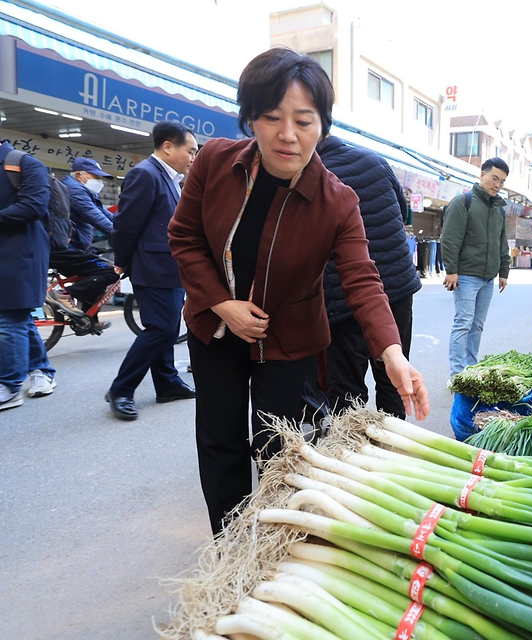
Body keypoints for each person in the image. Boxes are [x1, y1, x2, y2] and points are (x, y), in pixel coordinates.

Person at [168, 47, 429, 535]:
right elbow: (183, 238)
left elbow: (362, 278)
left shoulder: (338, 200)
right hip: (216, 329)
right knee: (219, 442)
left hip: (288, 340)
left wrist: (392, 353)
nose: (287, 135)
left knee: (277, 447)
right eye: (272, 117)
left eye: (304, 120)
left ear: (323, 127)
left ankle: (270, 542)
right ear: (250, 118)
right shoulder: (214, 164)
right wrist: (223, 304)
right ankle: (229, 547)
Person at [316, 129, 422, 418]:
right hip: (396, 287)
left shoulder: (313, 173)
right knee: (393, 373)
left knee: (346, 387)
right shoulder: (375, 160)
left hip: (343, 294)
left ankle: (351, 450)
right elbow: (401, 211)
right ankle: (392, 446)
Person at [107, 121, 199, 421]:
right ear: (168, 146)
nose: (193, 158)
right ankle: (121, 389)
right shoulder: (145, 174)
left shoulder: (170, 178)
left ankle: (168, 383)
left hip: (168, 267)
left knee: (169, 328)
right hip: (152, 267)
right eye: (190, 151)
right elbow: (126, 223)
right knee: (160, 329)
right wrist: (121, 261)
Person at [441, 157, 510, 379]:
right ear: (482, 175)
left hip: (488, 278)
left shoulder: (499, 209)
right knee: (463, 323)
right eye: (494, 178)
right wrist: (451, 270)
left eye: (502, 181)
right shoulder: (463, 201)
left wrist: (503, 272)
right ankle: (457, 374)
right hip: (467, 276)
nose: (497, 184)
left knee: (477, 326)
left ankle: (470, 370)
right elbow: (450, 238)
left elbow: (502, 242)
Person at [0, 139, 56, 410]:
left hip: (22, 254)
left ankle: (9, 386)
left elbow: (34, 205)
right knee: (19, 317)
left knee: (8, 318)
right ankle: (42, 371)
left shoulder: (23, 163)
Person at [53, 157, 119, 331]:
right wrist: (123, 236)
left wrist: (130, 228)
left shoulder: (83, 190)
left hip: (73, 247)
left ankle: (89, 319)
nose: (99, 180)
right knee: (110, 271)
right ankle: (65, 294)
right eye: (95, 176)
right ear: (80, 175)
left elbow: (107, 216)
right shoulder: (75, 191)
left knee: (97, 274)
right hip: (65, 250)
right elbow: (96, 218)